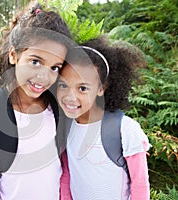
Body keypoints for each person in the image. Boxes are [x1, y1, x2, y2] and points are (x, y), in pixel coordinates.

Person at [0, 1, 74, 199]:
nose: (44, 77)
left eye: (55, 68)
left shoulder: (57, 108)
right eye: (35, 62)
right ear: (13, 55)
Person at [57, 36, 150, 200]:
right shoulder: (66, 127)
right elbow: (67, 175)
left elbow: (140, 184)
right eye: (63, 85)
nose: (70, 96)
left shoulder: (125, 129)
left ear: (101, 88)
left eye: (82, 88)